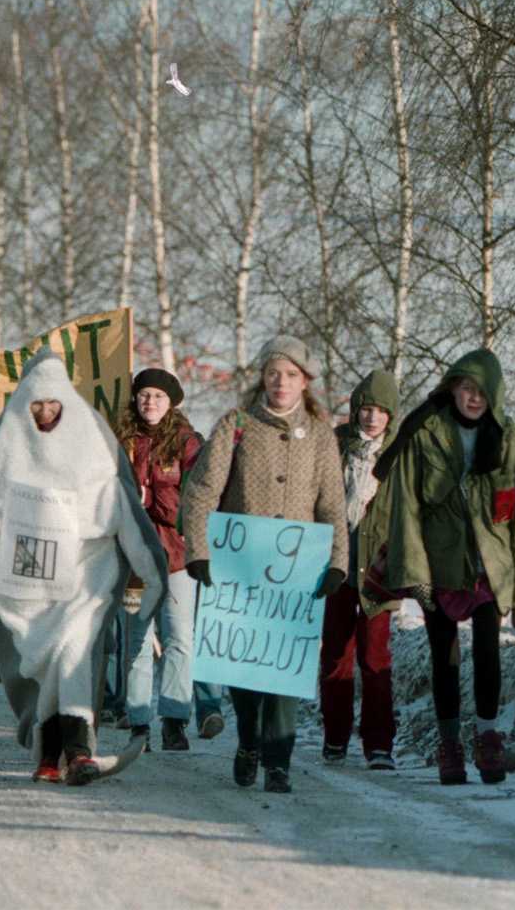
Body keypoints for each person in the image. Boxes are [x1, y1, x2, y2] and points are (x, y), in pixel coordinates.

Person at [0, 349, 168, 786]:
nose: (44, 412)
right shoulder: (8, 444)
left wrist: (151, 571)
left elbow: (123, 509)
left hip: (84, 574)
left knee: (74, 653)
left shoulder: (93, 442)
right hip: (28, 580)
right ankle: (49, 752)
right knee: (46, 666)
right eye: (35, 404)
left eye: (52, 403)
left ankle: (77, 751)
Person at [180, 335, 348, 794]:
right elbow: (201, 491)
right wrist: (198, 550)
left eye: (291, 374)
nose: (281, 382)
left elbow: (333, 503)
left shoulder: (319, 435)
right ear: (263, 376)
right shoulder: (236, 424)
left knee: (284, 670)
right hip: (241, 565)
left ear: (305, 381)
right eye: (274, 372)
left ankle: (278, 761)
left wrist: (337, 562)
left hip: (297, 570)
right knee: (244, 667)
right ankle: (249, 741)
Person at [377, 348, 515, 785]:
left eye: (481, 391)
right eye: (466, 388)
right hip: (439, 565)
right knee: (445, 658)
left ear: (495, 394)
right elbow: (407, 510)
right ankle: (449, 745)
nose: (473, 398)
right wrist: (415, 575)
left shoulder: (510, 441)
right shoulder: (425, 435)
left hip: (491, 567)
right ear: (452, 389)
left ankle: (488, 740)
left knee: (488, 652)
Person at [114, 368, 205, 752]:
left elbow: (197, 498)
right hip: (135, 560)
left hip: (177, 559)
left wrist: (152, 498)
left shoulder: (187, 444)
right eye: (144, 395)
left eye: (158, 396)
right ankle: (138, 720)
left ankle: (174, 718)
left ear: (171, 403)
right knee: (135, 640)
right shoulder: (121, 442)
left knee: (179, 638)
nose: (149, 402)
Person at [319, 369, 401, 769]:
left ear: (391, 415)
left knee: (375, 657)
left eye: (380, 411)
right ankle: (335, 737)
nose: (371, 417)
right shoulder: (335, 446)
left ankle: (379, 744)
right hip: (336, 561)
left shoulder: (400, 454)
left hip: (380, 570)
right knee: (336, 654)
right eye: (365, 408)